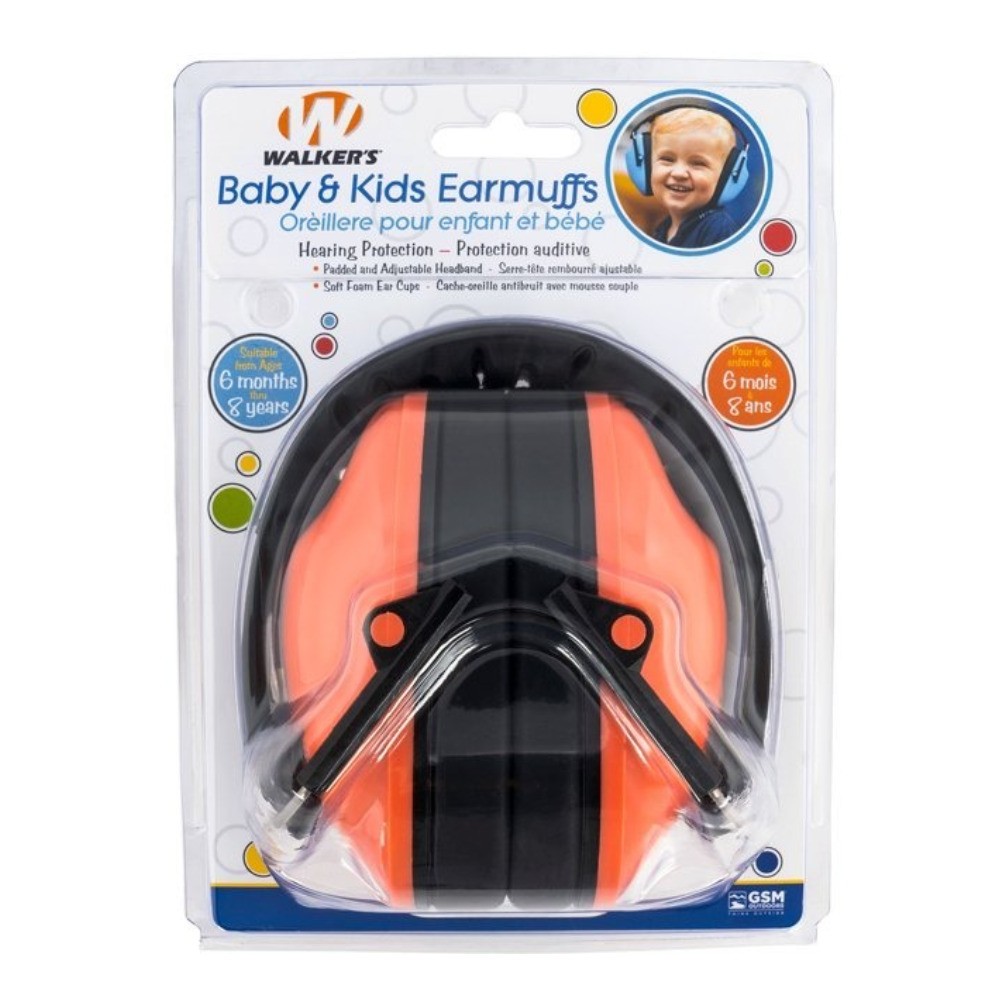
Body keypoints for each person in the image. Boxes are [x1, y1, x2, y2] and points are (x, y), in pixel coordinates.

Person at [649, 108, 741, 249]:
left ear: (726, 174)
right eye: (667, 159)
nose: (679, 173)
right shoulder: (663, 228)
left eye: (698, 163)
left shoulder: (718, 230)